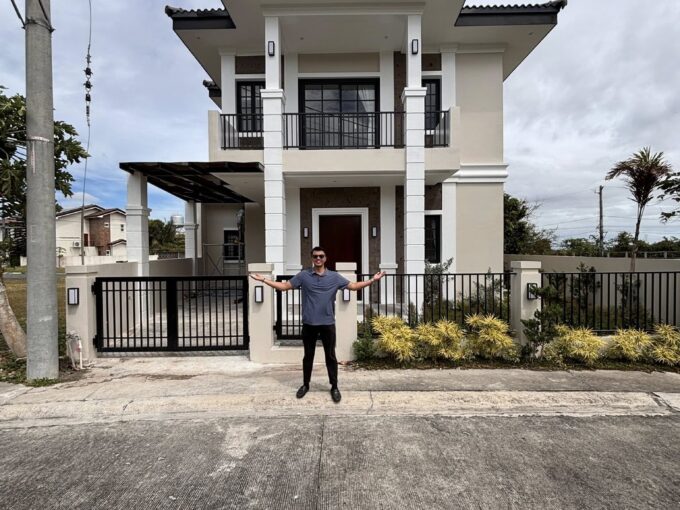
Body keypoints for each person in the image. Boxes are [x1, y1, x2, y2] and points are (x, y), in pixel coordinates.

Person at [251, 246, 384, 403]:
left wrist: (373, 280)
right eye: (315, 256)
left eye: (321, 256)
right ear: (312, 258)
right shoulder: (304, 276)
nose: (318, 259)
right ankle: (305, 385)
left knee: (331, 357)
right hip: (309, 324)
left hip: (328, 324)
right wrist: (264, 280)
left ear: (325, 258)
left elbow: (353, 286)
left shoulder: (334, 277)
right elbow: (285, 287)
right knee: (308, 356)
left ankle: (334, 386)